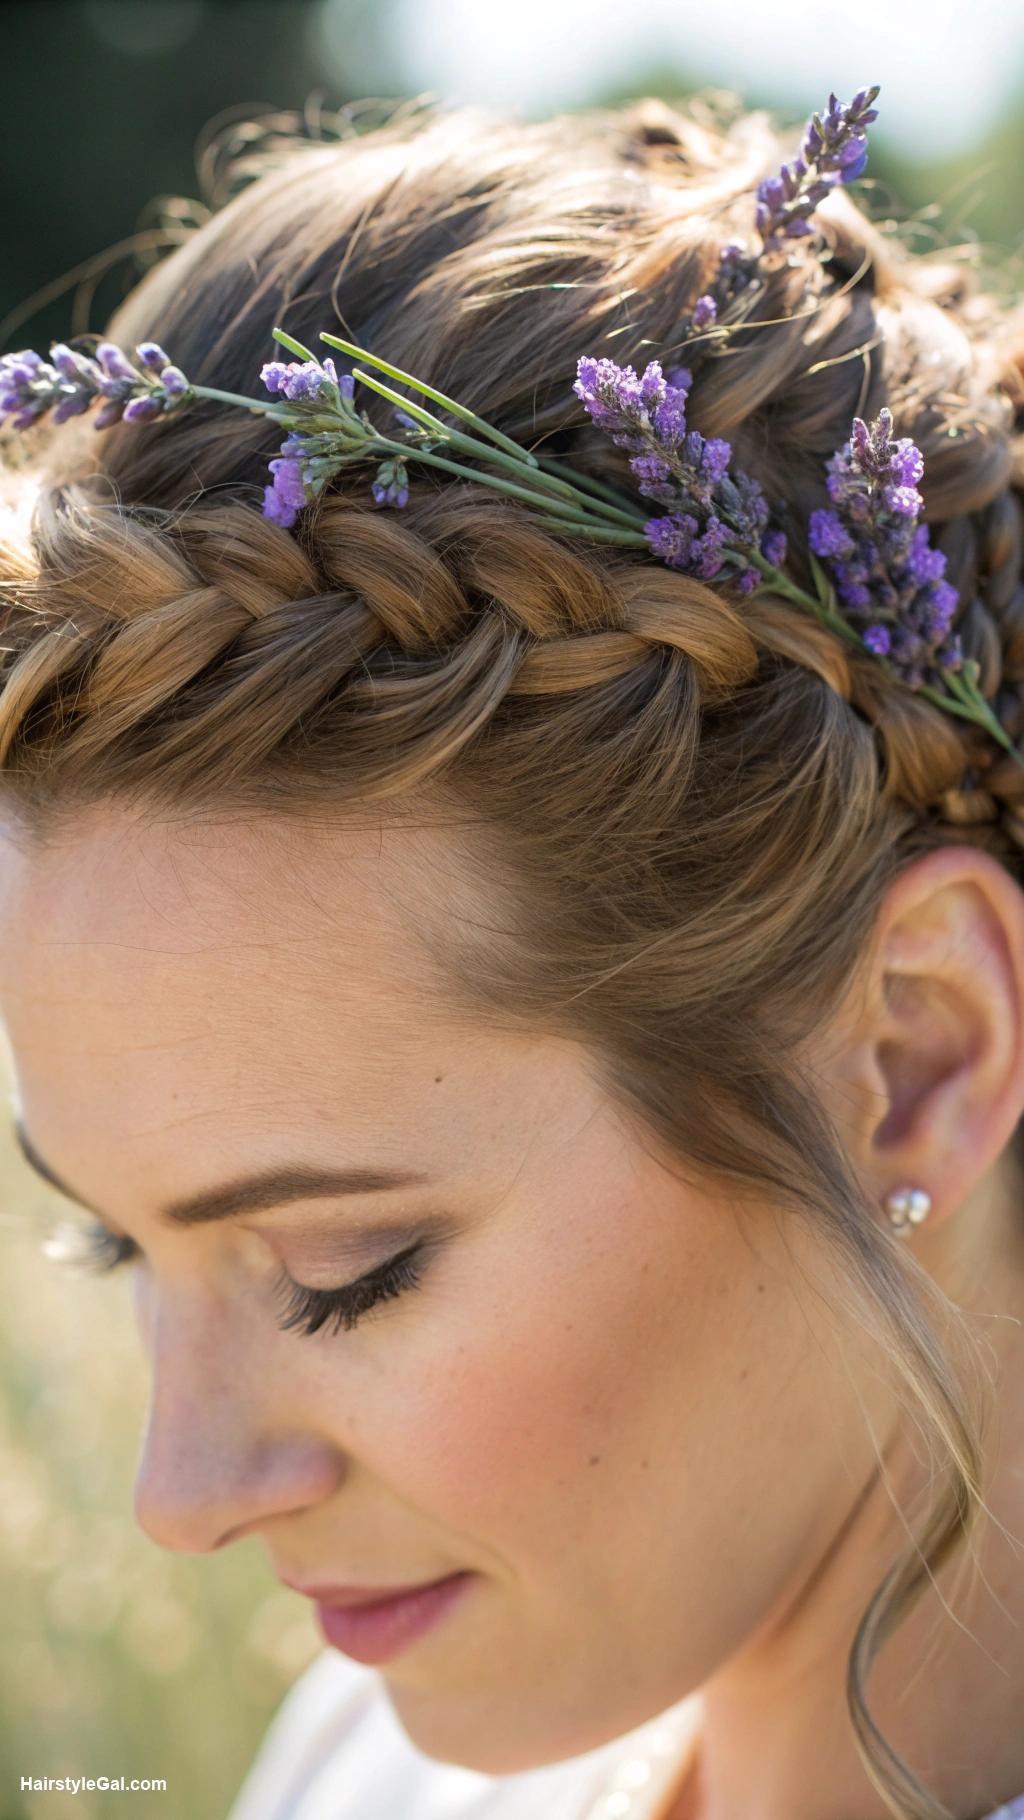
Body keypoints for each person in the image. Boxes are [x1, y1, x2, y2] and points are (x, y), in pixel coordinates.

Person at [1, 86, 1024, 1820]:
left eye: (348, 1271)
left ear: (918, 1048)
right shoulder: (359, 1771)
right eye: (120, 1247)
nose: (182, 1501)